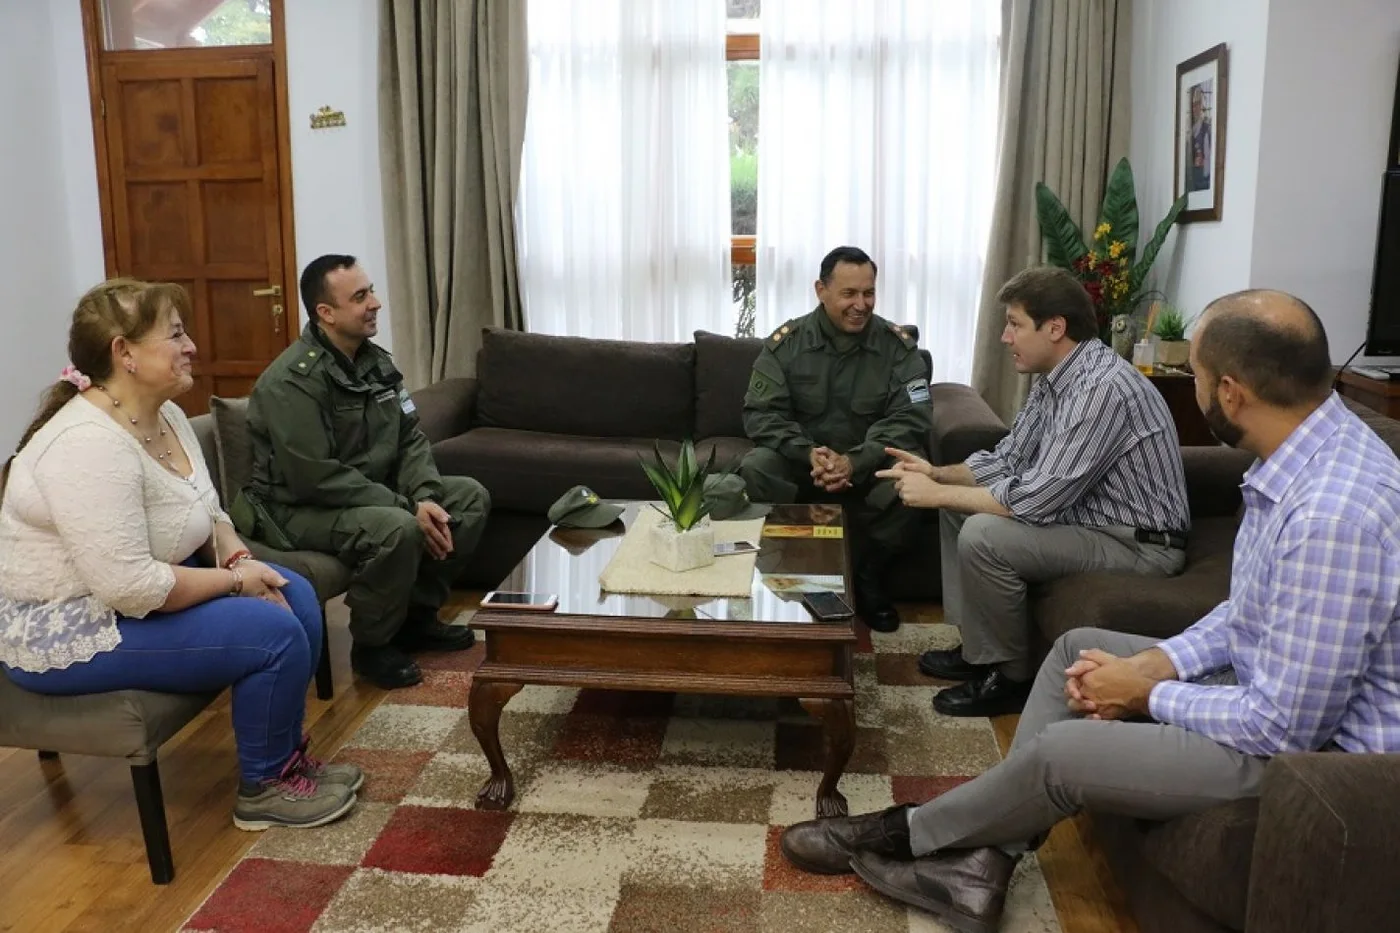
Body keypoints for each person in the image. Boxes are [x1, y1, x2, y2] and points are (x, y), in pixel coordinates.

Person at [779, 290, 1400, 932]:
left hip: (1315, 763)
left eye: (1199, 374)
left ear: (1232, 392)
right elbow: (1247, 616)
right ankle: (981, 863)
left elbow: (1284, 727)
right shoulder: (1302, 461)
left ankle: (902, 832)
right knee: (1076, 648)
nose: (1194, 386)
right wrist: (1160, 659)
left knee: (1065, 754)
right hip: (1268, 692)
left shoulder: (1332, 516)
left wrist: (1145, 693)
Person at [0, 279, 360, 831]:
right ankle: (263, 788)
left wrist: (240, 562)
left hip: (136, 593)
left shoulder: (163, 416)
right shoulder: (86, 445)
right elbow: (130, 587)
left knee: (298, 597)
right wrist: (238, 585)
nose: (191, 344)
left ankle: (287, 762)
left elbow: (209, 511)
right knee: (274, 631)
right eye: (174, 334)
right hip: (75, 624)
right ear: (125, 354)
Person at [881, 266, 1190, 717]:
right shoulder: (1056, 378)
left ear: (1055, 328)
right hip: (1091, 521)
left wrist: (936, 494)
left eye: (1014, 324)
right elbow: (1009, 459)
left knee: (983, 532)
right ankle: (979, 653)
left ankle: (1010, 678)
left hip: (1139, 545)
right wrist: (938, 474)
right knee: (960, 509)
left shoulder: (1102, 389)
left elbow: (1039, 499)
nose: (1005, 337)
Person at [236, 255, 491, 690]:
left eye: (371, 291)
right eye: (360, 297)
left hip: (362, 495)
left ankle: (415, 619)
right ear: (326, 313)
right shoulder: (292, 382)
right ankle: (372, 645)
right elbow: (314, 477)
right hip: (294, 509)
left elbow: (410, 435)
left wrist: (425, 494)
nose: (375, 303)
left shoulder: (375, 362)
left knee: (467, 498)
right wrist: (405, 507)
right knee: (396, 528)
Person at [739, 246, 932, 632]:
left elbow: (912, 416)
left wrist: (855, 461)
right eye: (849, 294)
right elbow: (761, 413)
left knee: (913, 475)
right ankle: (790, 572)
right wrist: (808, 452)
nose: (861, 305)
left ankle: (868, 578)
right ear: (821, 290)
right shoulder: (787, 344)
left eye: (869, 293)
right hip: (803, 467)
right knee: (756, 465)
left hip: (868, 468)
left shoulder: (897, 348)